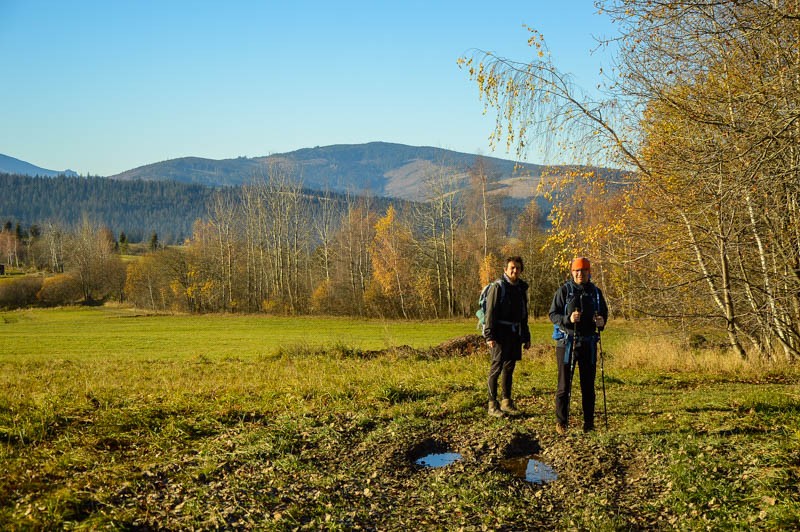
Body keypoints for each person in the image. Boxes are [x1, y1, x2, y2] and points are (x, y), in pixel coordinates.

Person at [549, 257, 608, 434]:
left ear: (589, 272)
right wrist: (568, 319)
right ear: (572, 272)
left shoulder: (596, 293)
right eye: (576, 270)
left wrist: (601, 322)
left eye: (583, 270)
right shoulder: (564, 291)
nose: (579, 274)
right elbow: (553, 314)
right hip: (566, 343)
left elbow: (604, 314)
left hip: (588, 343)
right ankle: (561, 422)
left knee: (588, 386)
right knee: (564, 385)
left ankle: (588, 423)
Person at [483, 256, 531, 417]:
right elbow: (490, 312)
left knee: (509, 369)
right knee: (495, 369)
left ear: (521, 270)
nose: (515, 270)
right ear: (505, 269)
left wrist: (526, 336)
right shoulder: (498, 288)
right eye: (512, 267)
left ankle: (506, 402)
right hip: (499, 334)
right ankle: (492, 405)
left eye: (518, 268)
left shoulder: (520, 289)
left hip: (514, 334)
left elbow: (524, 314)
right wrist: (489, 335)